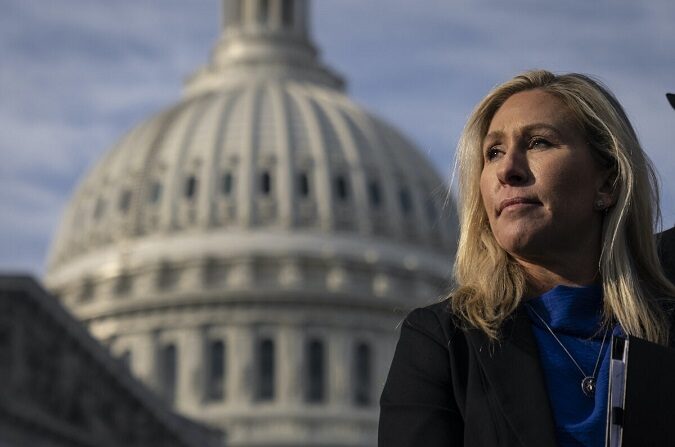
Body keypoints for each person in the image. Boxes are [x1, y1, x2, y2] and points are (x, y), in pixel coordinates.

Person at [378, 70, 675, 447]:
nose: (507, 169)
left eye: (538, 142)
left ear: (608, 182)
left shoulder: (664, 328)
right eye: (493, 152)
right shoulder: (445, 344)